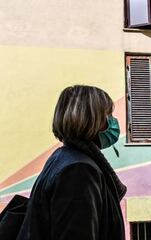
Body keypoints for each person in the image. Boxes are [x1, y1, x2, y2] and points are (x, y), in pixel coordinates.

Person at [17, 85, 126, 240]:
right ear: (91, 119)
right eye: (108, 115)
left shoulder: (63, 158)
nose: (113, 122)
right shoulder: (78, 170)